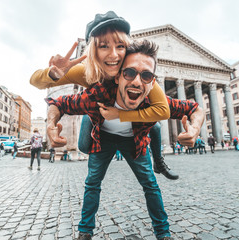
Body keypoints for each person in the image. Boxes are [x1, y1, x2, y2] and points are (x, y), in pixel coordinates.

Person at [46, 39, 204, 240]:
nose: (137, 81)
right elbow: (57, 103)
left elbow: (195, 109)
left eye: (146, 76)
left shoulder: (154, 101)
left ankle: (164, 234)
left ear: (152, 81)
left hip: (134, 141)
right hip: (101, 138)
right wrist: (51, 124)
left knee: (150, 184)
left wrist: (195, 128)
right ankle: (85, 232)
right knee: (92, 183)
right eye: (130, 72)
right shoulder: (98, 94)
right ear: (119, 75)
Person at [30, 11, 178, 180]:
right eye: (103, 46)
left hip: (126, 109)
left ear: (127, 48)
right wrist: (54, 74)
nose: (113, 55)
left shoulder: (137, 71)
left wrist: (121, 115)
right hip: (99, 109)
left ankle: (158, 161)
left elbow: (163, 111)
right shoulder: (86, 71)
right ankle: (93, 118)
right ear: (94, 51)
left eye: (120, 46)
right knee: (85, 146)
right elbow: (35, 82)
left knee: (155, 125)